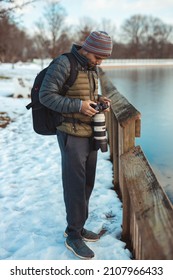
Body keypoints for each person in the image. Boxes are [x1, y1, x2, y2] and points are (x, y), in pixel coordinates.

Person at [39, 31, 113, 259]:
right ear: (88, 49)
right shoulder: (64, 63)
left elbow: (85, 92)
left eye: (103, 59)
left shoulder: (91, 67)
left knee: (87, 183)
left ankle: (78, 226)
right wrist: (79, 106)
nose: (100, 62)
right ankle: (73, 235)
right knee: (75, 185)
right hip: (71, 133)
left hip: (89, 132)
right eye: (98, 57)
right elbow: (46, 95)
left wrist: (98, 99)